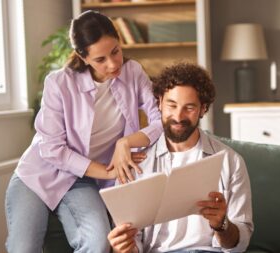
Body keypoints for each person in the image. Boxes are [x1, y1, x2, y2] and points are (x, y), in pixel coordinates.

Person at [5, 11, 163, 253]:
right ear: (82, 56)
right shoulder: (59, 83)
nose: (113, 64)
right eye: (100, 59)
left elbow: (159, 119)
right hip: (38, 174)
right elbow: (51, 148)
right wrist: (107, 170)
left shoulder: (133, 72)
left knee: (99, 243)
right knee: (24, 248)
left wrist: (125, 143)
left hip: (82, 181)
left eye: (115, 51)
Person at [108, 63, 253, 253]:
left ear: (203, 109)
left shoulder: (230, 161)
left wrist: (222, 224)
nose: (178, 116)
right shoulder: (135, 164)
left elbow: (240, 243)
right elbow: (132, 242)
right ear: (159, 103)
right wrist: (124, 249)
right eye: (172, 105)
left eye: (189, 107)